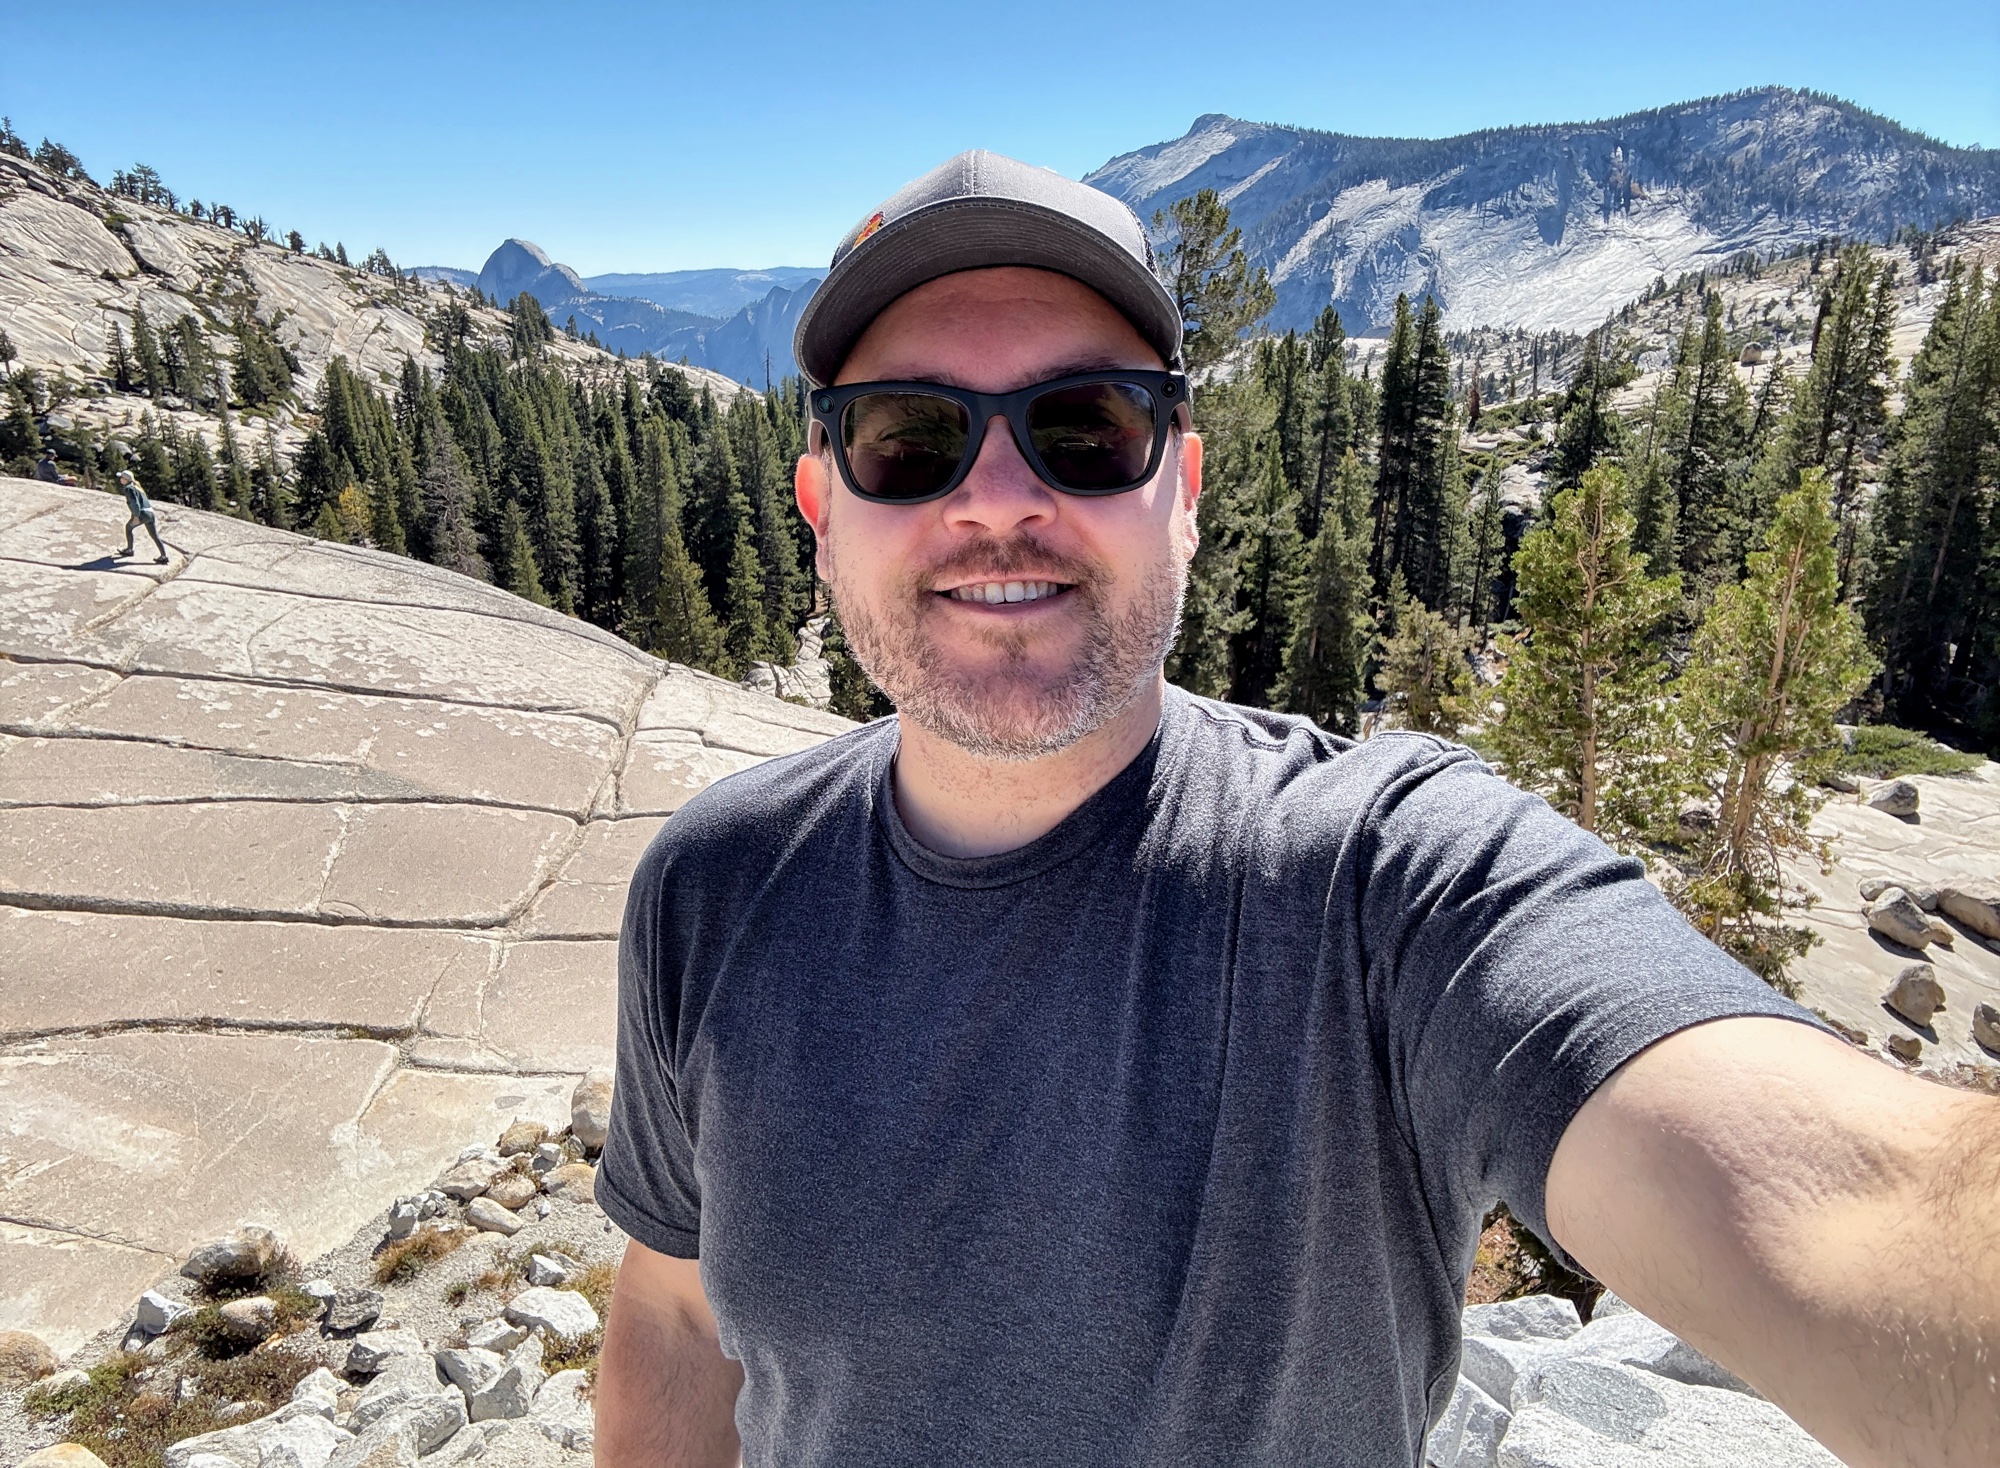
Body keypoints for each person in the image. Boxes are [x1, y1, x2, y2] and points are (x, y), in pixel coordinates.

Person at [593, 152, 1998, 1468]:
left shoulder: (1389, 881)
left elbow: (1863, 1211)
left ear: (1184, 490)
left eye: (1087, 428)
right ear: (820, 506)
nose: (998, 498)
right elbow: (673, 1313)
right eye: (910, 440)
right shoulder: (714, 886)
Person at [114, 466, 170, 563]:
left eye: (121, 478)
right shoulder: (138, 487)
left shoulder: (128, 489)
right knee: (154, 535)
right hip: (150, 513)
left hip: (142, 513)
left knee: (128, 528)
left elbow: (134, 503)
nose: (120, 479)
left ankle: (129, 550)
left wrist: (136, 516)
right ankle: (164, 556)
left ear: (126, 479)